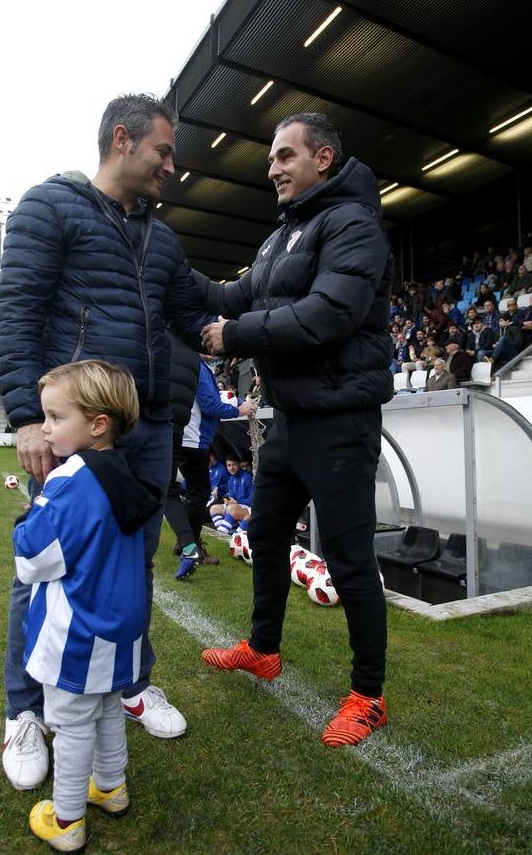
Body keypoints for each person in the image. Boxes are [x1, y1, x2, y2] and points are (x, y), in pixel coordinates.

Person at [0, 93, 214, 790]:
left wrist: (277, 276)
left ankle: (131, 683)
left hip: (146, 429)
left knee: (133, 562)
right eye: (164, 152)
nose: (171, 167)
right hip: (76, 431)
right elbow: (19, 311)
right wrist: (29, 414)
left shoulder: (164, 238)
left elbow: (196, 304)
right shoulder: (48, 208)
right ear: (123, 140)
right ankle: (24, 711)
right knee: (46, 565)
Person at [198, 111, 393, 748]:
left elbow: (330, 314)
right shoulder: (282, 235)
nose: (273, 169)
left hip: (339, 419)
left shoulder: (355, 224)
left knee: (349, 560)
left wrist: (237, 336)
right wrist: (172, 273)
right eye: (272, 160)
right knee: (266, 531)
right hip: (289, 420)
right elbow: (237, 294)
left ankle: (368, 694)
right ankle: (264, 649)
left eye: (285, 156)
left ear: (323, 160)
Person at [13, 360, 161, 852]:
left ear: (98, 424)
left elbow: (32, 559)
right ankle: (111, 786)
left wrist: (28, 516)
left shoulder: (71, 480)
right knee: (106, 708)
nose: (46, 430)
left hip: (80, 628)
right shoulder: (121, 468)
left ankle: (68, 817)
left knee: (71, 722)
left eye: (55, 418)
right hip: (121, 627)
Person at [166, 346, 256, 578]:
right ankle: (190, 543)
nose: (214, 350)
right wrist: (239, 408)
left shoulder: (197, 365)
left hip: (188, 436)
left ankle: (185, 542)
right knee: (198, 491)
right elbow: (210, 405)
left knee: (191, 492)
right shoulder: (197, 366)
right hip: (193, 439)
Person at [209, 454, 253, 535]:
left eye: (234, 465)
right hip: (235, 506)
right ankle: (227, 532)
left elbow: (253, 499)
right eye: (229, 465)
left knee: (231, 508)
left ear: (238, 465)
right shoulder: (231, 479)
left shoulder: (247, 477)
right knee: (213, 508)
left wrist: (236, 502)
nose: (231, 468)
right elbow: (231, 497)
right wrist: (227, 500)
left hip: (247, 508)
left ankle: (222, 534)